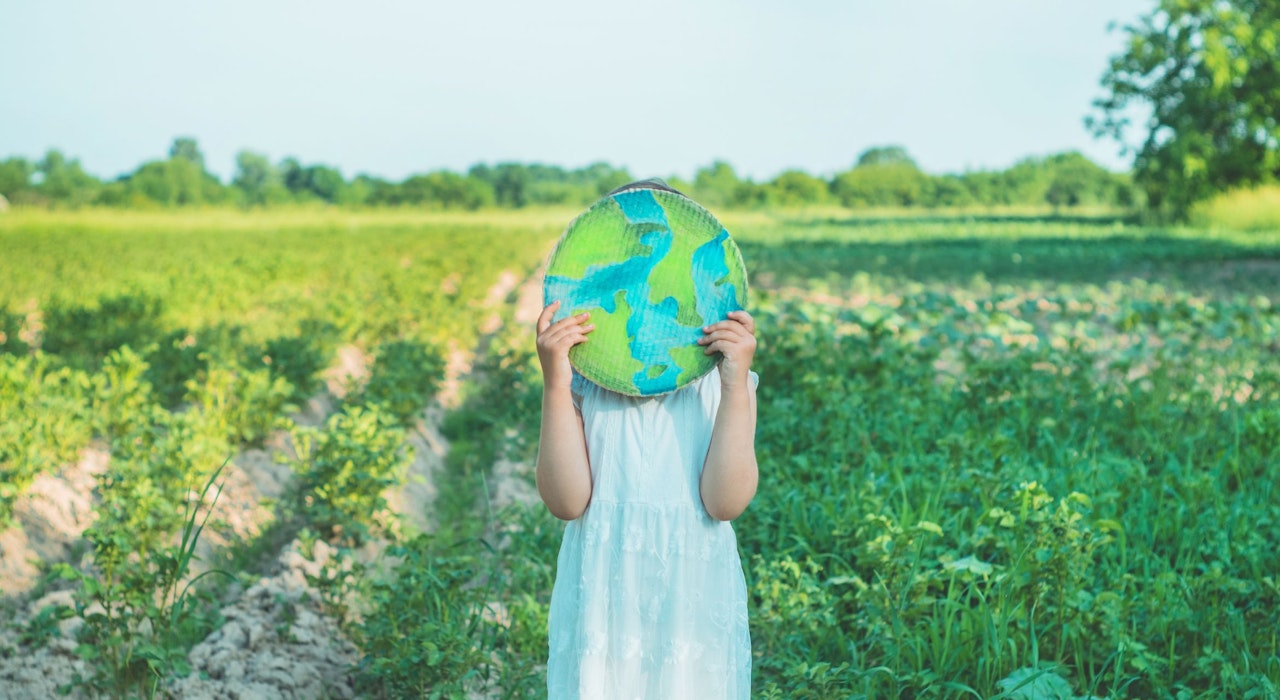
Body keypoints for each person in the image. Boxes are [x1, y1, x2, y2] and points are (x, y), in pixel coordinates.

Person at [535, 181, 758, 699]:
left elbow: (725, 502)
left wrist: (732, 383)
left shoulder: (724, 384)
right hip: (604, 596)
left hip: (693, 596)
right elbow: (566, 501)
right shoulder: (584, 379)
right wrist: (555, 380)